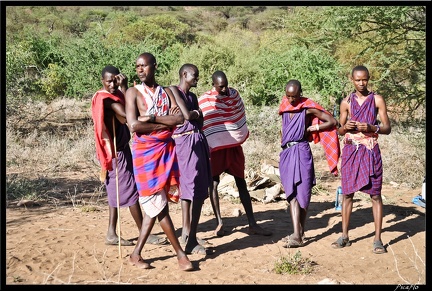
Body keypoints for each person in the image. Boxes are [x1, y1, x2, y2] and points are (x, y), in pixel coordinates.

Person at [125, 52, 194, 271]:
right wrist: (166, 123)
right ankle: (180, 254)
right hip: (145, 153)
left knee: (155, 203)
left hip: (165, 151)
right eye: (137, 67)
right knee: (158, 204)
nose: (140, 70)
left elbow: (180, 119)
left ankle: (135, 254)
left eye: (144, 66)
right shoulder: (132, 93)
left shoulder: (166, 92)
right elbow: (134, 126)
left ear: (154, 66)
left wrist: (153, 118)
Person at [91, 65, 168, 247]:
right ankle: (144, 233)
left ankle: (111, 233)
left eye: (115, 80)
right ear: (102, 81)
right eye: (109, 81)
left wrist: (123, 89)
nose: (112, 84)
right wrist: (126, 89)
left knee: (115, 190)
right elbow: (128, 117)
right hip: (116, 152)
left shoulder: (114, 95)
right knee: (131, 191)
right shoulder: (107, 100)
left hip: (121, 149)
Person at [198, 70, 272, 237]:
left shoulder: (234, 95)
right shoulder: (205, 100)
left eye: (226, 85)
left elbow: (238, 115)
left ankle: (252, 223)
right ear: (214, 85)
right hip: (216, 148)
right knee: (214, 184)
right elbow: (206, 122)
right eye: (220, 87)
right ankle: (219, 223)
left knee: (242, 183)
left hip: (233, 147)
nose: (224, 89)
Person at [331, 65, 391, 254]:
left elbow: (387, 128)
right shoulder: (346, 102)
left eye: (364, 79)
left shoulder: (377, 100)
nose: (361, 83)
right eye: (358, 80)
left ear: (369, 78)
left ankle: (378, 239)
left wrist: (372, 128)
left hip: (371, 151)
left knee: (375, 194)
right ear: (352, 80)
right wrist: (346, 127)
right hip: (351, 151)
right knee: (347, 193)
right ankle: (345, 236)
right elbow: (339, 131)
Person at [278, 79, 340, 247]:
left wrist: (314, 128)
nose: (291, 100)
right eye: (288, 96)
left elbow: (333, 122)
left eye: (295, 96)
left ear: (301, 93)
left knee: (303, 193)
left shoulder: (307, 108)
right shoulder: (284, 106)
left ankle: (298, 234)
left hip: (301, 150)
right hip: (287, 153)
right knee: (291, 193)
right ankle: (297, 234)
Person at [168, 64, 212, 256]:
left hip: (197, 140)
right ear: (184, 74)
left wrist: (194, 114)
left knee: (199, 187)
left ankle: (189, 234)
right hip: (184, 143)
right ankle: (189, 236)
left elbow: (199, 121)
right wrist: (194, 113)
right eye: (194, 75)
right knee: (189, 188)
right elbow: (186, 116)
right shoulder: (172, 90)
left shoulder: (193, 97)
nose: (197, 79)